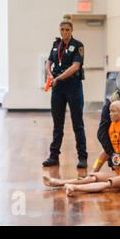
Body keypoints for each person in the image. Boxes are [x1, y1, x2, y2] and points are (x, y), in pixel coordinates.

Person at [43, 101, 120, 196]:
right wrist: (94, 170)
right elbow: (105, 153)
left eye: (113, 111)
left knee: (109, 183)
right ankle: (59, 182)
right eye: (110, 111)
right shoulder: (112, 128)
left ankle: (75, 188)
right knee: (93, 177)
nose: (110, 114)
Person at [42, 15, 88, 169]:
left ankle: (82, 157)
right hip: (58, 88)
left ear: (72, 30)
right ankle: (53, 156)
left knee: (77, 124)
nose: (64, 32)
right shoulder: (56, 45)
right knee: (57, 124)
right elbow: (49, 62)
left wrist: (58, 78)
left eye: (67, 29)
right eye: (62, 29)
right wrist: (49, 73)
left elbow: (75, 66)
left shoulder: (78, 45)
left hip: (73, 86)